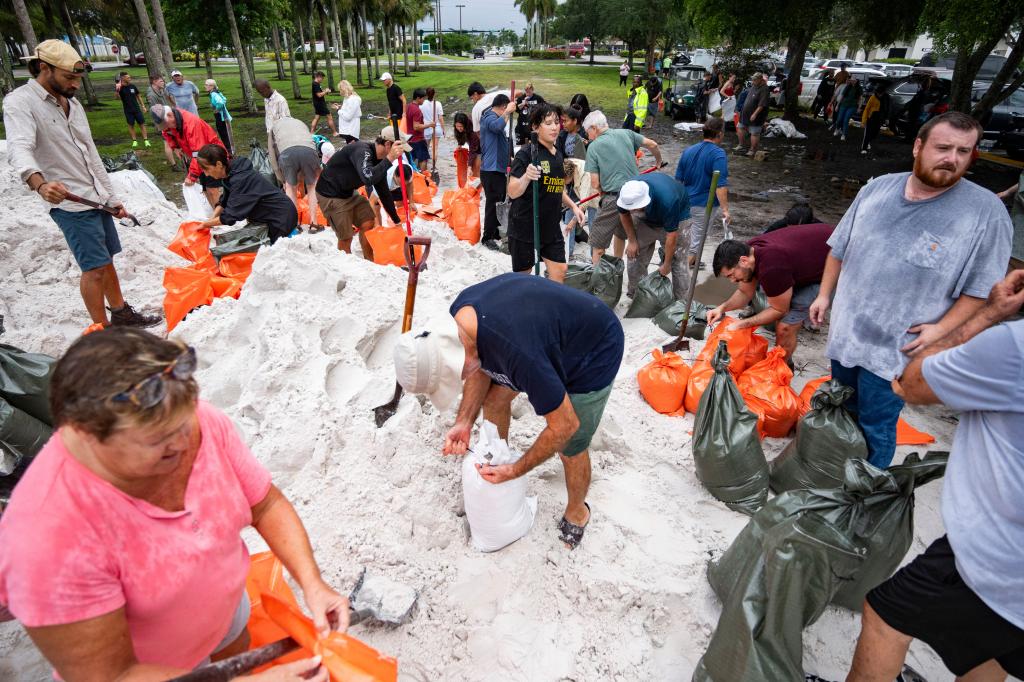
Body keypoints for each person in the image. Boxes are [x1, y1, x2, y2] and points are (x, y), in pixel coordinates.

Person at [0, 327, 344, 679]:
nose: (185, 443)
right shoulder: (48, 540)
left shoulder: (192, 422)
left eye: (186, 422)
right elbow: (114, 676)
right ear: (87, 435)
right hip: (153, 668)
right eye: (161, 441)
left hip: (223, 610)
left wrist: (312, 583)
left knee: (234, 640)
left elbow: (265, 504)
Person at [845, 269, 1024, 682]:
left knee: (885, 615)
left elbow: (911, 384)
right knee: (993, 649)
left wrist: (988, 313)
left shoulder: (1012, 346)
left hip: (998, 555)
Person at [808, 112, 1012, 469]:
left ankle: (865, 494)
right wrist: (825, 295)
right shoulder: (877, 189)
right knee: (843, 410)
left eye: (964, 151)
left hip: (897, 349)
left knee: (877, 425)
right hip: (847, 336)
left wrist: (941, 330)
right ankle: (837, 476)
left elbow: (982, 292)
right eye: (943, 147)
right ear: (919, 146)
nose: (952, 158)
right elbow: (839, 248)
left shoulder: (985, 214)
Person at [392, 273, 625, 550]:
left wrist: (515, 470)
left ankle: (578, 512)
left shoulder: (520, 354)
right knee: (493, 401)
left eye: (453, 375)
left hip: (594, 348)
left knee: (570, 447)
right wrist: (464, 421)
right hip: (541, 336)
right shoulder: (461, 321)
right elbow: (478, 365)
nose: (459, 379)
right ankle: (496, 457)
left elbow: (565, 425)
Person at [4, 40, 160, 329]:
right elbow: (19, 148)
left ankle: (121, 312)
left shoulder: (73, 104)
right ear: (44, 68)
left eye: (78, 78)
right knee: (94, 269)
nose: (75, 84)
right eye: (69, 77)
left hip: (96, 198)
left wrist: (111, 198)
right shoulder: (20, 102)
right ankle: (103, 334)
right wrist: (39, 184)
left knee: (107, 259)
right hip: (70, 203)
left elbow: (91, 154)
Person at [707, 224, 834, 359]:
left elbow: (779, 310)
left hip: (834, 262)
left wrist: (742, 324)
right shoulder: (748, 252)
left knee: (785, 327)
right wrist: (722, 308)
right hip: (810, 253)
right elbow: (745, 293)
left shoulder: (771, 268)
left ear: (743, 261)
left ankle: (780, 370)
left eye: (731, 275)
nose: (732, 281)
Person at [505, 104, 586, 281]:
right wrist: (526, 177)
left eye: (557, 122)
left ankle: (549, 304)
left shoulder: (558, 154)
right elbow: (512, 191)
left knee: (560, 270)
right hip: (525, 225)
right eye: (548, 123)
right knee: (522, 277)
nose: (554, 127)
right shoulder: (526, 154)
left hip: (550, 226)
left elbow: (557, 187)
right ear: (535, 127)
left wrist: (574, 206)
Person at [583, 109, 662, 264]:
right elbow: (652, 144)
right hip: (636, 196)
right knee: (620, 233)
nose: (588, 136)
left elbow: (595, 183)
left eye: (587, 132)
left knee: (598, 243)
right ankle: (617, 268)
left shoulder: (593, 146)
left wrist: (602, 194)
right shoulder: (626, 133)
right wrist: (658, 162)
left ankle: (599, 280)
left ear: (594, 128)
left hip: (613, 197)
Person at [315, 126, 406, 257]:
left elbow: (384, 192)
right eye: (398, 150)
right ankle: (347, 266)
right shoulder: (362, 150)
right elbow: (368, 178)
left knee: (368, 222)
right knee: (346, 236)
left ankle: (369, 260)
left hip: (349, 193)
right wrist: (390, 158)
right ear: (388, 145)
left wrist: (396, 221)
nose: (400, 154)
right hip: (330, 194)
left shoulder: (380, 161)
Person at [195, 144, 298, 243]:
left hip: (280, 218)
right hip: (268, 216)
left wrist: (205, 224)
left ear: (218, 164)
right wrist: (210, 220)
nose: (206, 174)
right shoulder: (231, 172)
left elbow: (230, 216)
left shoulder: (240, 180)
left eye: (206, 169)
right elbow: (224, 202)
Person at [616, 174, 691, 301]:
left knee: (678, 261)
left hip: (678, 218)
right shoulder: (625, 194)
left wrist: (667, 264)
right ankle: (637, 296)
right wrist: (632, 241)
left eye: (634, 208)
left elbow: (671, 236)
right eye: (630, 209)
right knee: (634, 255)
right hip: (645, 219)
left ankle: (681, 302)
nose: (631, 211)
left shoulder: (668, 200)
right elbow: (624, 215)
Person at [675, 117, 730, 264]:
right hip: (704, 205)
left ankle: (687, 263)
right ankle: (684, 279)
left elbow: (678, 180)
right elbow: (720, 185)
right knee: (695, 244)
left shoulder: (688, 151)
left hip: (686, 202)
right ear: (719, 134)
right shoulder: (718, 154)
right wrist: (725, 210)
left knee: (686, 238)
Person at [152, 104, 225, 209]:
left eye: (166, 125)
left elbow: (198, 152)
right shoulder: (170, 121)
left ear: (170, 115)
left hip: (212, 155)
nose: (166, 128)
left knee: (212, 189)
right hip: (200, 159)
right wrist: (175, 147)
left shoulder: (191, 123)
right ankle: (216, 213)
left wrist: (192, 176)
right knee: (205, 190)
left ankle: (221, 217)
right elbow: (166, 133)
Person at [270, 116, 323, 232]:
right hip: (309, 151)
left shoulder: (273, 127)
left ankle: (293, 225)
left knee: (290, 187)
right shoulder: (300, 121)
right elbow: (310, 140)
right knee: (312, 186)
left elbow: (272, 157)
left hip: (287, 152)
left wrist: (282, 179)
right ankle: (314, 223)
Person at [478, 93, 513, 251]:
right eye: (506, 110)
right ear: (503, 107)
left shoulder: (496, 117)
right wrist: (507, 113)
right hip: (490, 170)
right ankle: (487, 237)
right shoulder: (489, 117)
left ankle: (497, 231)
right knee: (492, 203)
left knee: (500, 200)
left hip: (498, 169)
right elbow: (497, 126)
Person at [255, 79, 291, 185]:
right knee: (274, 163)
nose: (261, 94)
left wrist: (280, 138)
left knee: (284, 161)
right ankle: (282, 184)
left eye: (261, 91)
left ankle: (289, 183)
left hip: (281, 136)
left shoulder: (280, 100)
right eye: (259, 92)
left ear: (267, 87)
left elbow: (286, 120)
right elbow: (269, 118)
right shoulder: (267, 99)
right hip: (271, 135)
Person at [147, 74, 180, 168]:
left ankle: (180, 159)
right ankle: (174, 165)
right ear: (154, 82)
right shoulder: (151, 95)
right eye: (161, 81)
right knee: (167, 143)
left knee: (174, 140)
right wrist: (163, 125)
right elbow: (155, 111)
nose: (163, 83)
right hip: (163, 122)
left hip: (168, 118)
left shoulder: (160, 91)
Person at [737, 72, 770, 156]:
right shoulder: (754, 86)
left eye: (755, 80)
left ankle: (752, 150)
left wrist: (755, 114)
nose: (753, 81)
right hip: (745, 113)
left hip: (756, 116)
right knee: (740, 127)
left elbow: (762, 104)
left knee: (754, 132)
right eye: (753, 79)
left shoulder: (764, 89)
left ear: (760, 80)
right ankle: (741, 145)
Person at [115, 72, 150, 149]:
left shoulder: (133, 86)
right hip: (128, 110)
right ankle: (134, 141)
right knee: (131, 125)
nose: (130, 79)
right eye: (128, 78)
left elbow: (138, 96)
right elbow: (117, 98)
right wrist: (117, 90)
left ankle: (146, 140)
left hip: (137, 109)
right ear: (123, 78)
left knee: (142, 124)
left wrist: (143, 106)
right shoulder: (120, 88)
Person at [204, 79, 233, 155]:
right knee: (225, 133)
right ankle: (229, 149)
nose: (205, 86)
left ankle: (229, 151)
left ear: (212, 86)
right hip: (223, 116)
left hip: (221, 117)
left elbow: (220, 102)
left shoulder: (214, 94)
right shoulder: (216, 92)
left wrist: (217, 109)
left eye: (207, 85)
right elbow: (224, 99)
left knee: (223, 134)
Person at [405, 88, 430, 172]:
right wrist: (429, 125)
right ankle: (424, 178)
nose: (424, 100)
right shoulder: (417, 110)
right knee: (423, 159)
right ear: (418, 98)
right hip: (418, 139)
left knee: (412, 160)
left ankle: (415, 176)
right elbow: (416, 126)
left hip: (410, 139)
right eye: (423, 98)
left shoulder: (408, 106)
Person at [860, 83, 889, 154]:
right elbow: (867, 109)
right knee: (867, 133)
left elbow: (888, 108)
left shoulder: (887, 98)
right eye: (878, 93)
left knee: (875, 133)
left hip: (879, 119)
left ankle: (868, 142)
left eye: (880, 93)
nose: (879, 95)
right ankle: (864, 148)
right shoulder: (872, 97)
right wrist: (864, 120)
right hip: (871, 118)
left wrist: (887, 118)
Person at [453, 111, 481, 179]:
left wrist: (469, 166)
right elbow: (459, 135)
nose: (459, 128)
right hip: (474, 145)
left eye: (461, 126)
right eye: (457, 126)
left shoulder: (472, 131)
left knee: (476, 167)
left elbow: (473, 150)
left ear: (465, 125)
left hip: (481, 144)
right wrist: (460, 144)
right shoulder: (458, 128)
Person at [834, 76, 863, 142]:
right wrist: (837, 105)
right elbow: (842, 96)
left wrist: (859, 107)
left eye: (853, 80)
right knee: (839, 119)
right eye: (851, 80)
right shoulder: (848, 87)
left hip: (852, 106)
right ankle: (837, 129)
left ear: (856, 81)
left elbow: (860, 98)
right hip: (844, 105)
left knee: (846, 119)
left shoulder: (859, 88)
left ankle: (844, 134)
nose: (852, 81)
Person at [332, 79, 361, 144]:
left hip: (351, 131)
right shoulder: (347, 98)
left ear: (343, 89)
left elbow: (348, 116)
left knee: (353, 148)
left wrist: (338, 110)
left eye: (340, 90)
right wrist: (341, 107)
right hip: (347, 130)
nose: (339, 92)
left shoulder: (353, 99)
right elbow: (348, 110)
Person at [422, 86, 445, 167]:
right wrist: (443, 129)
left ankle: (424, 166)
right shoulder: (438, 104)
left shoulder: (422, 103)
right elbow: (440, 118)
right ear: (434, 94)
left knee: (426, 148)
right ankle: (434, 166)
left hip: (426, 128)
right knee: (435, 148)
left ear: (426, 94)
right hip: (437, 127)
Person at [310, 71, 338, 137]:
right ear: (318, 77)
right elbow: (319, 95)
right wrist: (326, 91)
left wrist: (325, 91)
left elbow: (319, 93)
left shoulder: (315, 84)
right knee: (329, 116)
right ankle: (334, 133)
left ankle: (312, 132)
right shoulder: (315, 84)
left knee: (317, 117)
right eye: (322, 78)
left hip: (317, 103)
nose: (322, 80)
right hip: (320, 104)